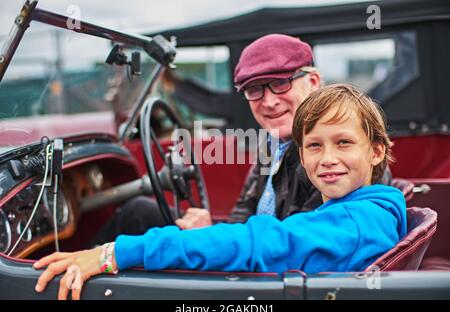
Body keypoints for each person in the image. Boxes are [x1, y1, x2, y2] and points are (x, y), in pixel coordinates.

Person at [34, 83, 407, 300]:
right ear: (301, 154)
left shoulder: (356, 222)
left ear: (376, 151)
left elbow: (256, 242)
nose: (327, 159)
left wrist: (112, 253)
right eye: (314, 146)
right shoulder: (364, 210)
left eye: (344, 143)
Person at [93, 33, 394, 245]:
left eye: (280, 83)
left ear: (313, 81)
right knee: (139, 211)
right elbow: (245, 214)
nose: (269, 101)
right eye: (255, 90)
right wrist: (209, 228)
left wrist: (212, 236)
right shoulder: (272, 145)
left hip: (270, 273)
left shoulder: (326, 162)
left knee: (137, 220)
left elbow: (288, 241)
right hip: (256, 249)